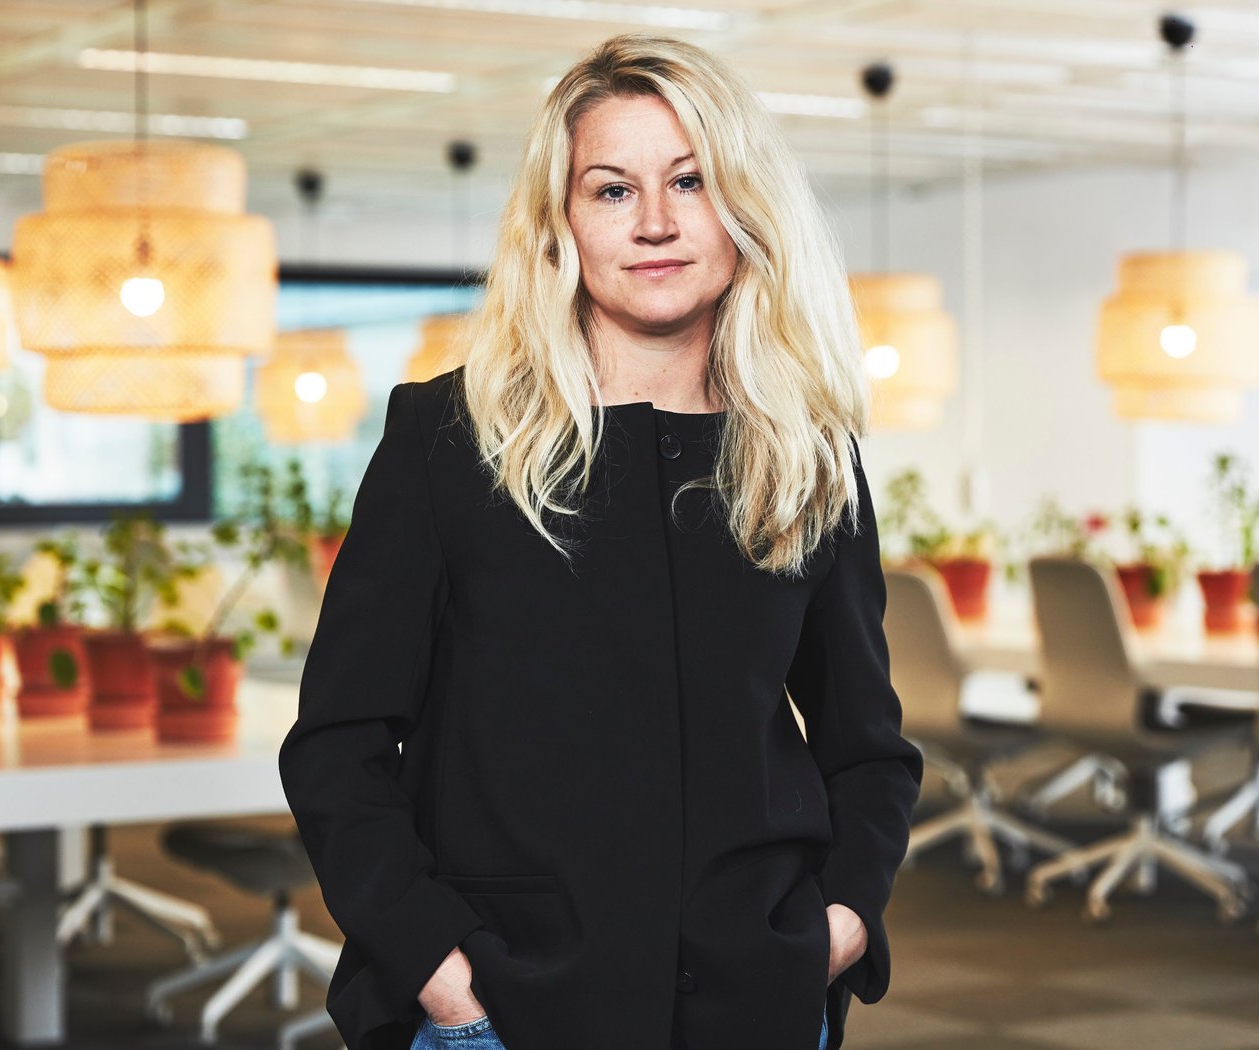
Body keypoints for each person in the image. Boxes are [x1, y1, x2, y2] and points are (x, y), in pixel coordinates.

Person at [279, 32, 924, 1050]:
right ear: (560, 222)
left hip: (752, 999)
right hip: (505, 1006)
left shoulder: (805, 456)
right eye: (611, 190)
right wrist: (437, 966)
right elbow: (338, 745)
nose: (656, 223)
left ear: (744, 207)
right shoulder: (446, 443)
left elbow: (866, 751)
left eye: (690, 181)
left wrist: (835, 927)